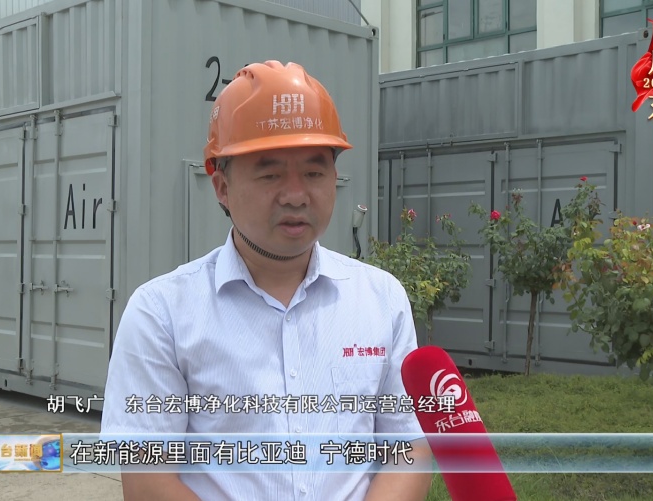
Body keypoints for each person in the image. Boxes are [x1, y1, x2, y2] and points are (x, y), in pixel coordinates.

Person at [101, 60, 433, 501]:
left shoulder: (380, 298)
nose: (296, 195)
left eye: (314, 172)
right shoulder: (162, 314)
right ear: (221, 186)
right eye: (270, 173)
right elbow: (148, 480)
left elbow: (409, 448)